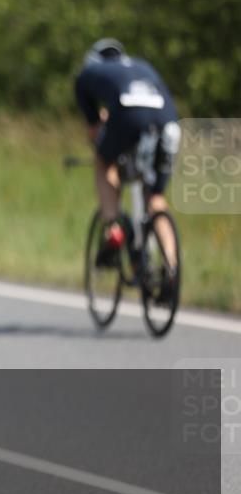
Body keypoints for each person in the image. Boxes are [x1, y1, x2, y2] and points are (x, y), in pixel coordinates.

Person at [74, 38, 180, 301]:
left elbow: (95, 130)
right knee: (155, 198)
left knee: (103, 163)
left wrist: (104, 142)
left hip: (129, 116)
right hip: (168, 121)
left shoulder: (87, 74)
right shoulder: (142, 65)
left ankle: (113, 228)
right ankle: (171, 269)